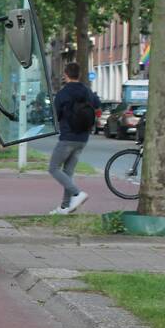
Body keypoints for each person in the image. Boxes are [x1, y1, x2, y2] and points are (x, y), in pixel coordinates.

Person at [49, 62, 100, 215]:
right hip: (83, 138)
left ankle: (78, 193)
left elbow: (56, 115)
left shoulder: (63, 93)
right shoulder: (87, 91)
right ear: (79, 74)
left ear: (65, 75)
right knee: (68, 172)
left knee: (53, 168)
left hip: (67, 137)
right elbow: (97, 105)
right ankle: (65, 207)